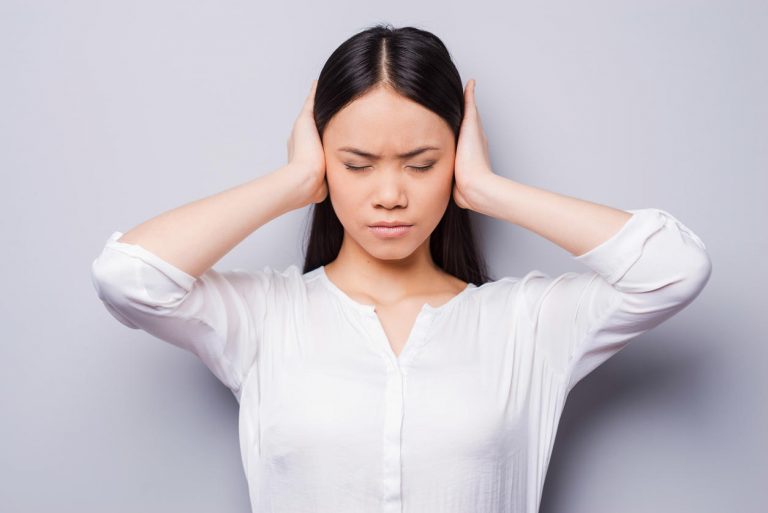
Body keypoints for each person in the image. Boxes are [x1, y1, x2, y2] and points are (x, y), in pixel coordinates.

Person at [90, 24, 712, 513]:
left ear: (457, 158)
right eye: (357, 165)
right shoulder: (263, 318)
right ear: (324, 160)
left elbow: (675, 267)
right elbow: (128, 276)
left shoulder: (525, 325)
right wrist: (293, 181)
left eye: (420, 163)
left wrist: (488, 189)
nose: (390, 194)